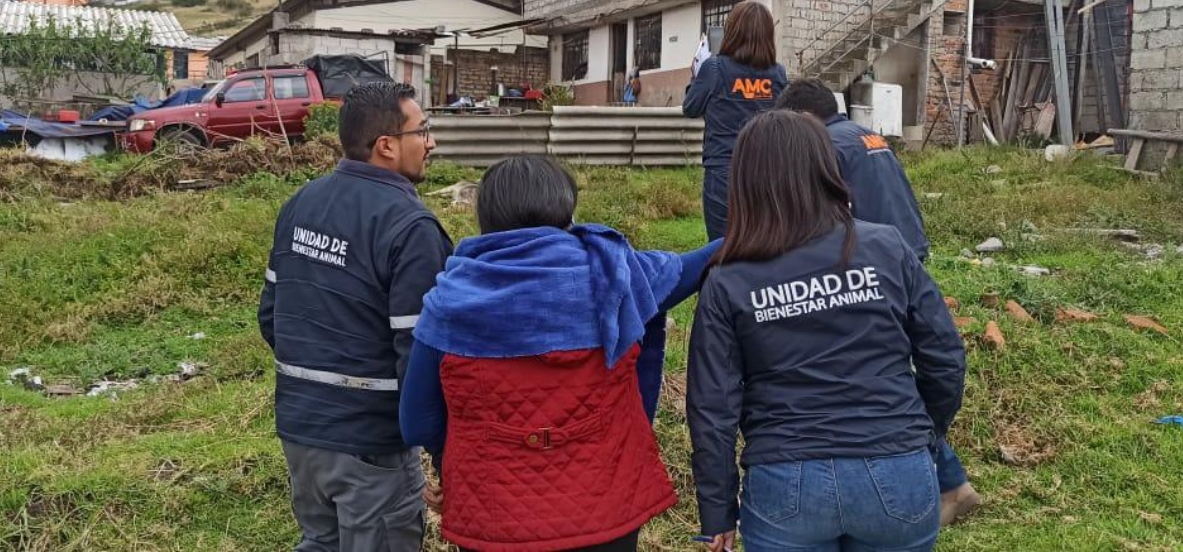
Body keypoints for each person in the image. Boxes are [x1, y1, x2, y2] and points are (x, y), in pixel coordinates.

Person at [400, 156, 720, 552]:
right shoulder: (618, 276)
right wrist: (775, 219)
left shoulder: (450, 301)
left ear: (487, 215)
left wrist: (450, 461)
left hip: (492, 519)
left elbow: (417, 421)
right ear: (565, 206)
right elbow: (696, 265)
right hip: (607, 512)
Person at [687, 110, 966, 552]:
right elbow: (945, 358)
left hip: (786, 485)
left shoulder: (728, 278)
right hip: (898, 470)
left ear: (745, 181)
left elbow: (712, 407)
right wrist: (920, 435)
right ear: (825, 166)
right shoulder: (887, 247)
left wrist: (717, 511)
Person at [258, 81, 451, 552]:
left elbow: (271, 315)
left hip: (302, 432)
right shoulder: (411, 227)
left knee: (320, 542)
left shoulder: (299, 204)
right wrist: (448, 456)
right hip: (370, 444)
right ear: (386, 145)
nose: (431, 142)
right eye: (421, 131)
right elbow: (421, 357)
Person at [777, 78, 979, 525]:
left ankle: (947, 480)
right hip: (903, 250)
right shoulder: (865, 135)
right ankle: (950, 480)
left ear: (805, 119)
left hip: (866, 263)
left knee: (881, 374)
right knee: (894, 367)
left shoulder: (824, 146)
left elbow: (828, 213)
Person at [683, 1, 789, 242]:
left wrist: (695, 74)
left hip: (724, 172)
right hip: (767, 172)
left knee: (723, 247)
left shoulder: (714, 68)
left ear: (732, 32)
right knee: (762, 243)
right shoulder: (778, 73)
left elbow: (690, 108)